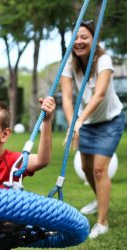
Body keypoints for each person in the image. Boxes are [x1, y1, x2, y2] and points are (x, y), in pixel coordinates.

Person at [61, 20, 125, 239]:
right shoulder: (69, 62)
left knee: (99, 170)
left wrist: (79, 122)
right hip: (85, 123)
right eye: (76, 38)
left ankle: (103, 222)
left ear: (94, 39)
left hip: (109, 121)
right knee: (87, 169)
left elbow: (99, 94)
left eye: (84, 37)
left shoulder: (103, 60)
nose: (79, 41)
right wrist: (72, 126)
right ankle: (100, 199)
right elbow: (67, 99)